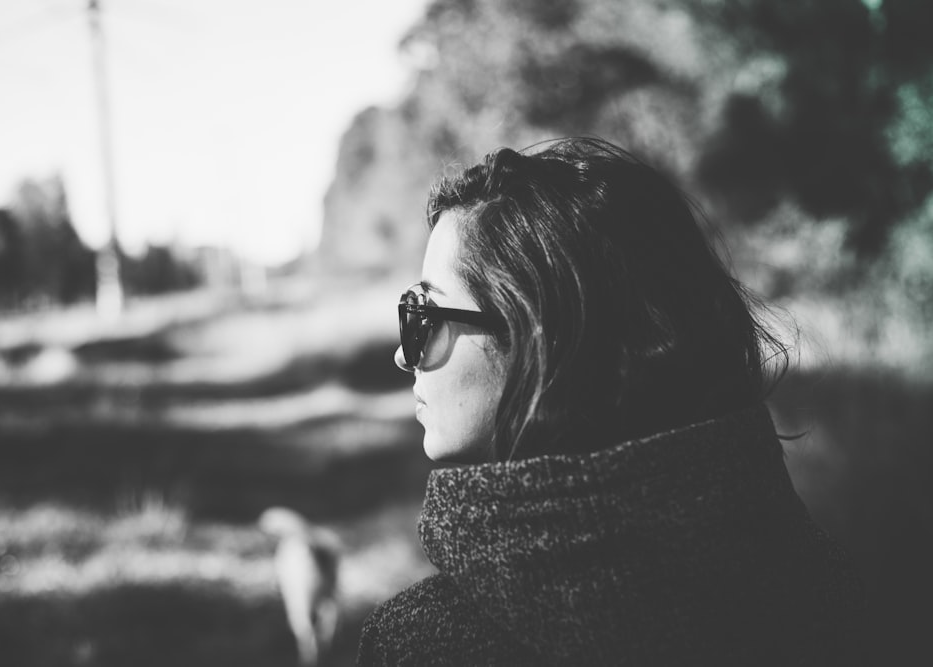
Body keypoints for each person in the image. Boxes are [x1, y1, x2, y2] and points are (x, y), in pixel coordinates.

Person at [355, 138, 868, 666]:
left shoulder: (426, 646)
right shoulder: (825, 580)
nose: (402, 355)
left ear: (540, 339)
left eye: (424, 315)